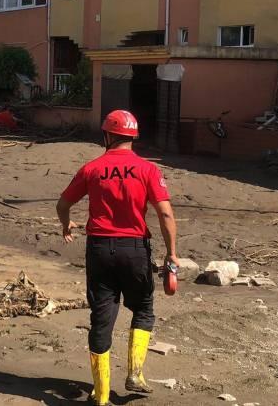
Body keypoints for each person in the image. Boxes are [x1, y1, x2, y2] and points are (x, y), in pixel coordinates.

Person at [55, 110, 179, 405]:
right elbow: (165, 213)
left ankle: (100, 396)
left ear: (108, 135)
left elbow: (63, 203)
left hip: (99, 249)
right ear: (133, 136)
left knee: (101, 318)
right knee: (144, 309)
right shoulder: (148, 170)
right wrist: (172, 254)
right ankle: (135, 373)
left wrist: (65, 224)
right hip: (135, 249)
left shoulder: (92, 168)